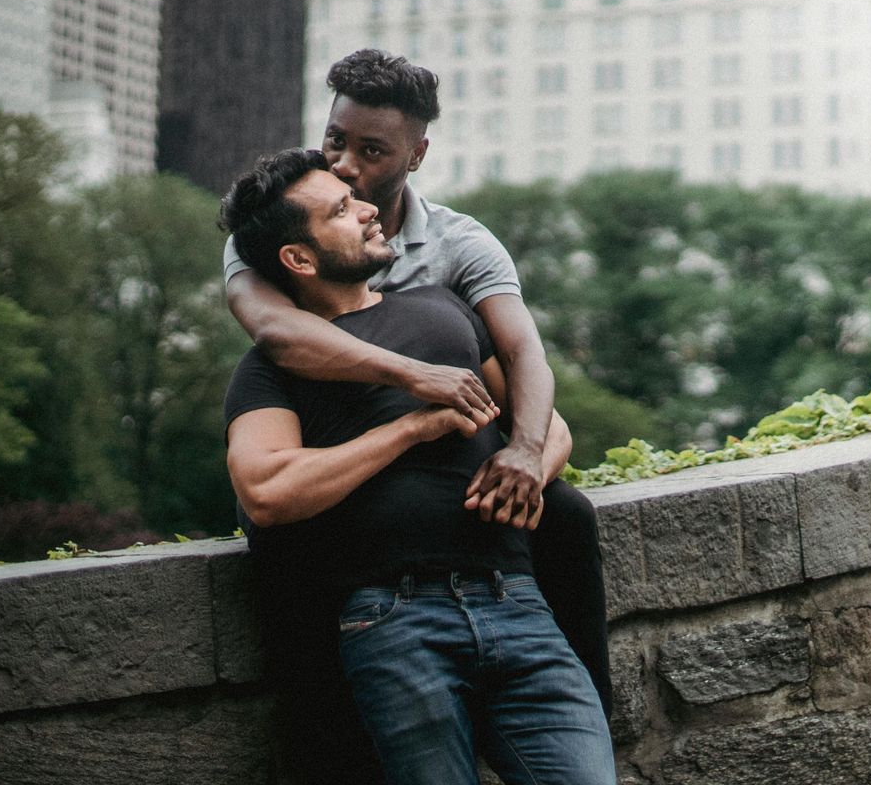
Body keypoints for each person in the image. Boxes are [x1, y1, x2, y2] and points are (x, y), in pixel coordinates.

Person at [221, 148, 616, 785]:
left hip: (517, 605)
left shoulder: (443, 309)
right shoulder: (271, 368)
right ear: (299, 258)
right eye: (342, 211)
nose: (370, 211)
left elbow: (548, 427)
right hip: (396, 622)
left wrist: (525, 472)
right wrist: (408, 429)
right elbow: (267, 489)